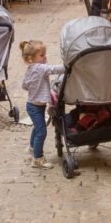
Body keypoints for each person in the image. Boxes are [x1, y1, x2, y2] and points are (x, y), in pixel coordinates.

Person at [20, 40, 66, 169]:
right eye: (42, 55)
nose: (45, 57)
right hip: (35, 107)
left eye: (45, 54)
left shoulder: (30, 69)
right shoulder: (41, 68)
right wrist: (68, 65)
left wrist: (35, 87)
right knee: (42, 131)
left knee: (37, 127)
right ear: (31, 58)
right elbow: (55, 69)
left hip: (33, 105)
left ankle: (32, 148)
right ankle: (38, 158)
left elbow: (24, 85)